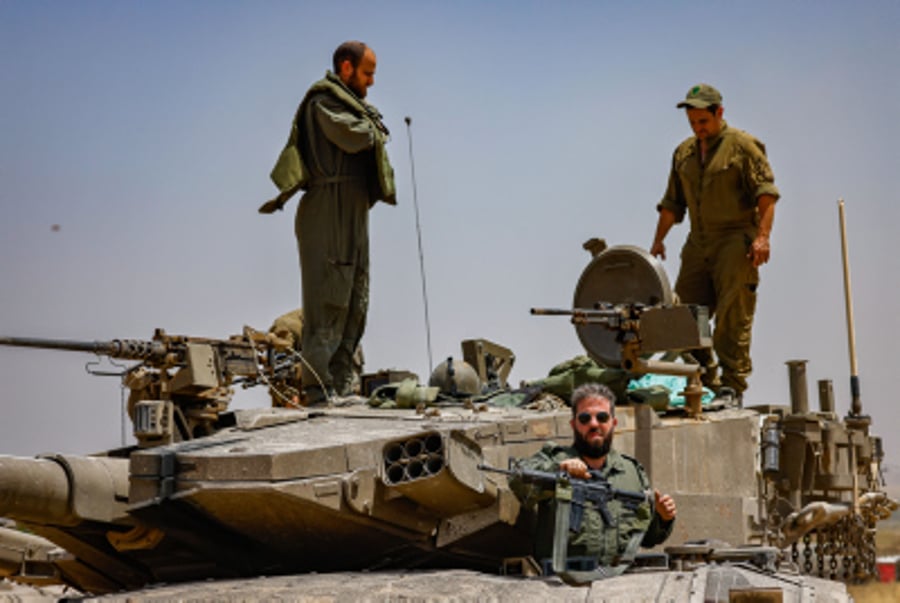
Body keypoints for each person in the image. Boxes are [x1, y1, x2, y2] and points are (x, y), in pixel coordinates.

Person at [260, 41, 396, 405]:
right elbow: (356, 137)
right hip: (328, 207)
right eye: (367, 74)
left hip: (352, 209)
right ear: (347, 68)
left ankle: (341, 384)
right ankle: (318, 388)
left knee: (355, 295)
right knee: (330, 298)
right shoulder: (323, 102)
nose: (370, 83)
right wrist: (374, 129)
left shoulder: (354, 106)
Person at [649, 83, 780, 402]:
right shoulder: (684, 153)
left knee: (733, 315)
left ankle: (732, 386)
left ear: (719, 113)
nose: (698, 128)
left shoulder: (743, 147)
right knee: (683, 316)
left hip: (735, 240)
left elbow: (766, 195)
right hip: (698, 241)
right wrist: (657, 242)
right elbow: (671, 203)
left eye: (703, 122)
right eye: (693, 123)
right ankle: (706, 377)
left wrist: (763, 238)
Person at [510, 383, 676, 570]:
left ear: (613, 423)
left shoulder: (632, 472)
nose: (594, 424)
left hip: (619, 583)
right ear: (574, 424)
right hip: (561, 584)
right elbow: (519, 481)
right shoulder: (554, 458)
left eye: (602, 417)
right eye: (585, 418)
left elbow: (648, 538)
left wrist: (663, 518)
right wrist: (558, 470)